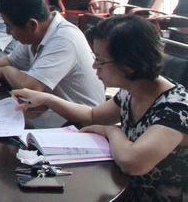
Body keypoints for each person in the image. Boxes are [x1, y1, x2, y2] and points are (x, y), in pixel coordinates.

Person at [13, 14, 188, 201]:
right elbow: (93, 115)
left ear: (129, 65)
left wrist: (111, 131)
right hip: (124, 189)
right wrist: (47, 99)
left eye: (100, 60)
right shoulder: (132, 90)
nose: (94, 66)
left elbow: (132, 162)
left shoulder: (175, 109)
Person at [0, 0, 105, 106]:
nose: (7, 32)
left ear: (32, 25)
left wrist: (5, 71)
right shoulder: (37, 34)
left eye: (9, 26)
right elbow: (12, 60)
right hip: (52, 112)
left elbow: (32, 87)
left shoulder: (64, 39)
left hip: (80, 121)